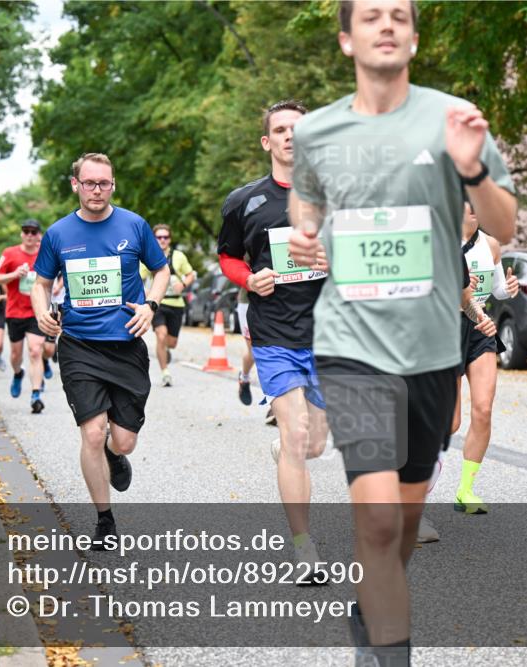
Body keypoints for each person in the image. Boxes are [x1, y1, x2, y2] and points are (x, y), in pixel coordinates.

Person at [288, 1, 517, 661]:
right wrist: (309, 233)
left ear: (414, 37)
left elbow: (504, 225)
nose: (385, 23)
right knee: (380, 516)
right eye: (370, 16)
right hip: (351, 345)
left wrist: (472, 167)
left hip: (430, 349)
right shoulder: (319, 131)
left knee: (405, 520)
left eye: (398, 14)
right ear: (345, 38)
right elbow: (307, 199)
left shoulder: (453, 120)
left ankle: (373, 600)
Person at [33, 152, 169, 547]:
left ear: (112, 185)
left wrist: (151, 305)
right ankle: (104, 520)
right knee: (92, 433)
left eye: (104, 183)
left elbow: (161, 270)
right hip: (79, 346)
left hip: (126, 344)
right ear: (75, 184)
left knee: (122, 440)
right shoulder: (58, 233)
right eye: (89, 183)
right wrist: (42, 313)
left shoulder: (134, 225)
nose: (97, 190)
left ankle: (115, 454)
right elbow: (41, 283)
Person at [219, 100, 331, 581]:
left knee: (316, 445)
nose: (290, 136)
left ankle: (289, 454)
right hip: (276, 334)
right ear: (268, 142)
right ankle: (303, 548)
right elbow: (227, 257)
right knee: (296, 435)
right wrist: (249, 279)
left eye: (298, 130)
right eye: (280, 130)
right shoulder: (244, 201)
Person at [449, 202, 518, 514]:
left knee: (484, 409)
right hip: (446, 330)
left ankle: (466, 490)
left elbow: (499, 291)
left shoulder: (490, 244)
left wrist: (509, 289)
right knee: (449, 422)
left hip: (481, 328)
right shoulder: (440, 242)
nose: (475, 208)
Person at [0, 220, 56, 413]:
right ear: (21, 234)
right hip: (14, 312)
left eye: (33, 232)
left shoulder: (45, 253)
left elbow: (56, 276)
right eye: (26, 231)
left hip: (36, 311)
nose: (29, 235)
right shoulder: (9, 253)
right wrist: (14, 274)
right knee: (15, 355)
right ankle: (18, 373)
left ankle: (36, 394)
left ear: (39, 235)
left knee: (35, 351)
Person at [148, 224, 195, 387]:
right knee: (161, 335)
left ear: (170, 239)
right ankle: (165, 373)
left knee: (171, 342)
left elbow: (190, 275)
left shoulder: (179, 256)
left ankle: (165, 349)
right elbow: (138, 278)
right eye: (159, 237)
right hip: (157, 303)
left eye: (165, 237)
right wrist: (146, 294)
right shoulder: (148, 255)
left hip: (176, 303)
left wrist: (183, 284)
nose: (162, 240)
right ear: (154, 239)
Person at [236, 287, 255, 405]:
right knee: (256, 352)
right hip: (249, 301)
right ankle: (244, 378)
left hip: (282, 300)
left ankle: (276, 407)